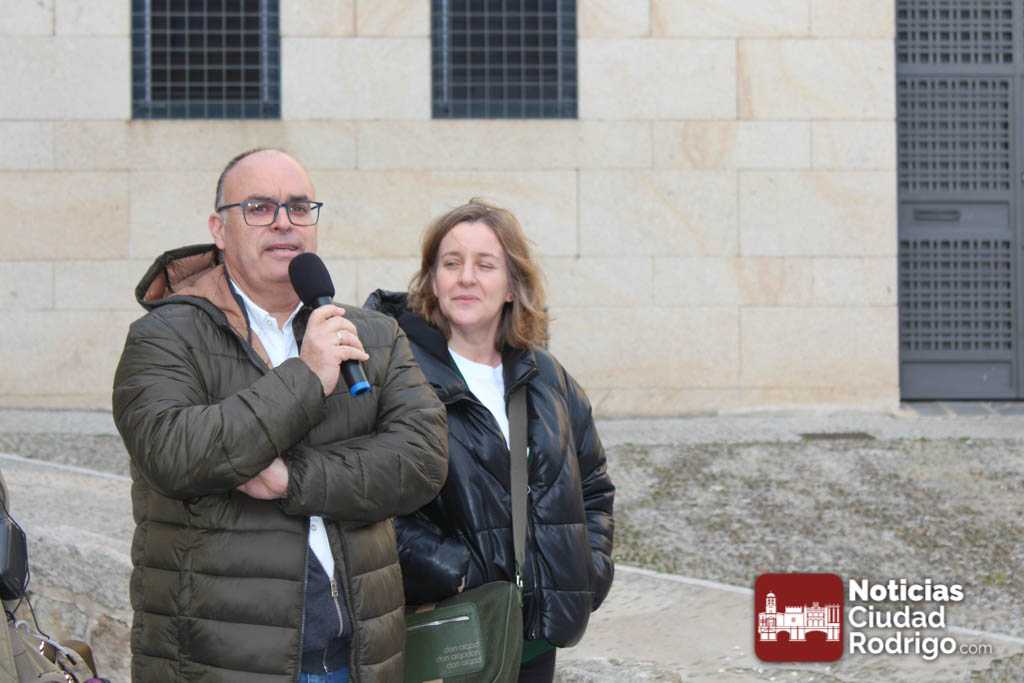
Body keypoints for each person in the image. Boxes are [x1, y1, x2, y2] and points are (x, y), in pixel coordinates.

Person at [112, 148, 448, 683]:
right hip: (219, 662)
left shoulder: (373, 335)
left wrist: (294, 478)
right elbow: (174, 453)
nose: (284, 222)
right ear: (219, 229)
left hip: (358, 659)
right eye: (259, 208)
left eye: (298, 207)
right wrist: (307, 376)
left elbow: (422, 460)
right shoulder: (164, 336)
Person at [365, 199, 615, 683]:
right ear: (432, 280)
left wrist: (587, 571)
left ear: (512, 286)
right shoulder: (397, 375)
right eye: (451, 263)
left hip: (535, 641)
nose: (466, 278)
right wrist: (453, 570)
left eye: (485, 265)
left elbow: (594, 486)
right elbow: (368, 497)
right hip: (451, 632)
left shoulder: (548, 379)